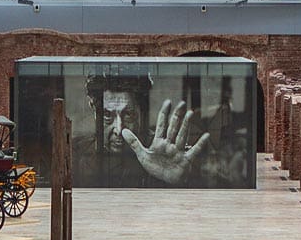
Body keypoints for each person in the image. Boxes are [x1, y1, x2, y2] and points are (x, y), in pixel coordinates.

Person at [75, 73, 212, 187]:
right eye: (107, 115)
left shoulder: (167, 154)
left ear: (141, 110)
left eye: (128, 115)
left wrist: (175, 183)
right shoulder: (74, 153)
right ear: (93, 107)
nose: (119, 129)